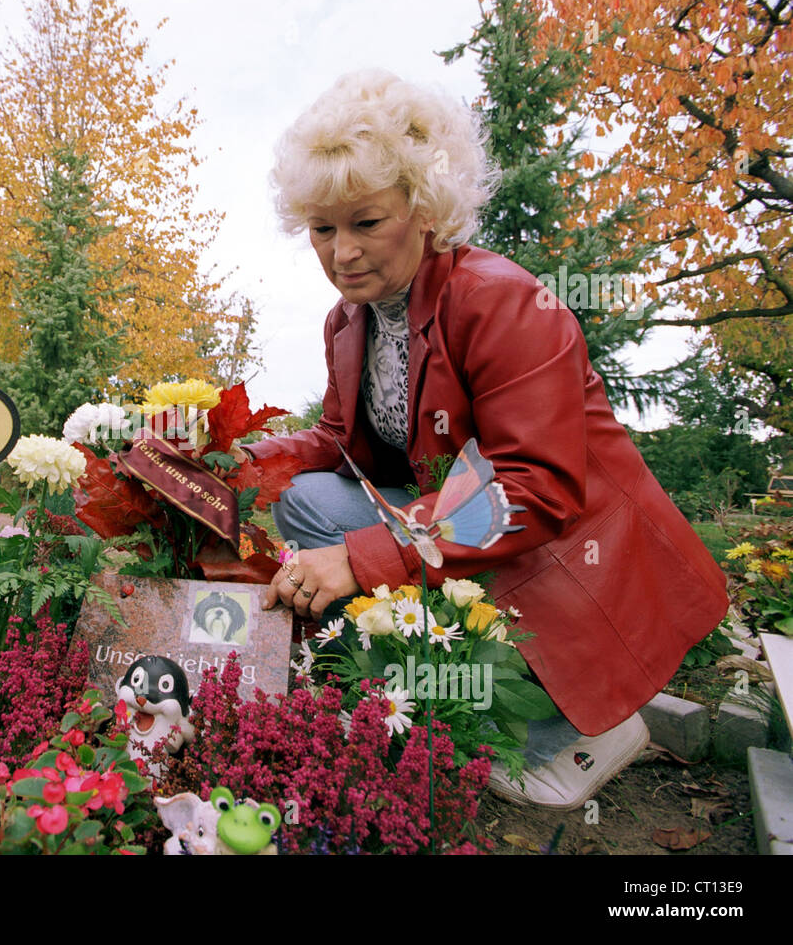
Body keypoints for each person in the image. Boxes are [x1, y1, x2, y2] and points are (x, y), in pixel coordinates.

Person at [246, 69, 730, 809]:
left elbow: (537, 487)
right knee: (311, 500)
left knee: (347, 536)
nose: (340, 253)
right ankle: (408, 701)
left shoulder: (500, 301)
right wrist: (229, 464)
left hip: (567, 547)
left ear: (424, 208)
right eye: (322, 227)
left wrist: (365, 555)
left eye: (366, 222)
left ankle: (575, 729)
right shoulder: (350, 323)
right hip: (468, 523)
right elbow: (340, 443)